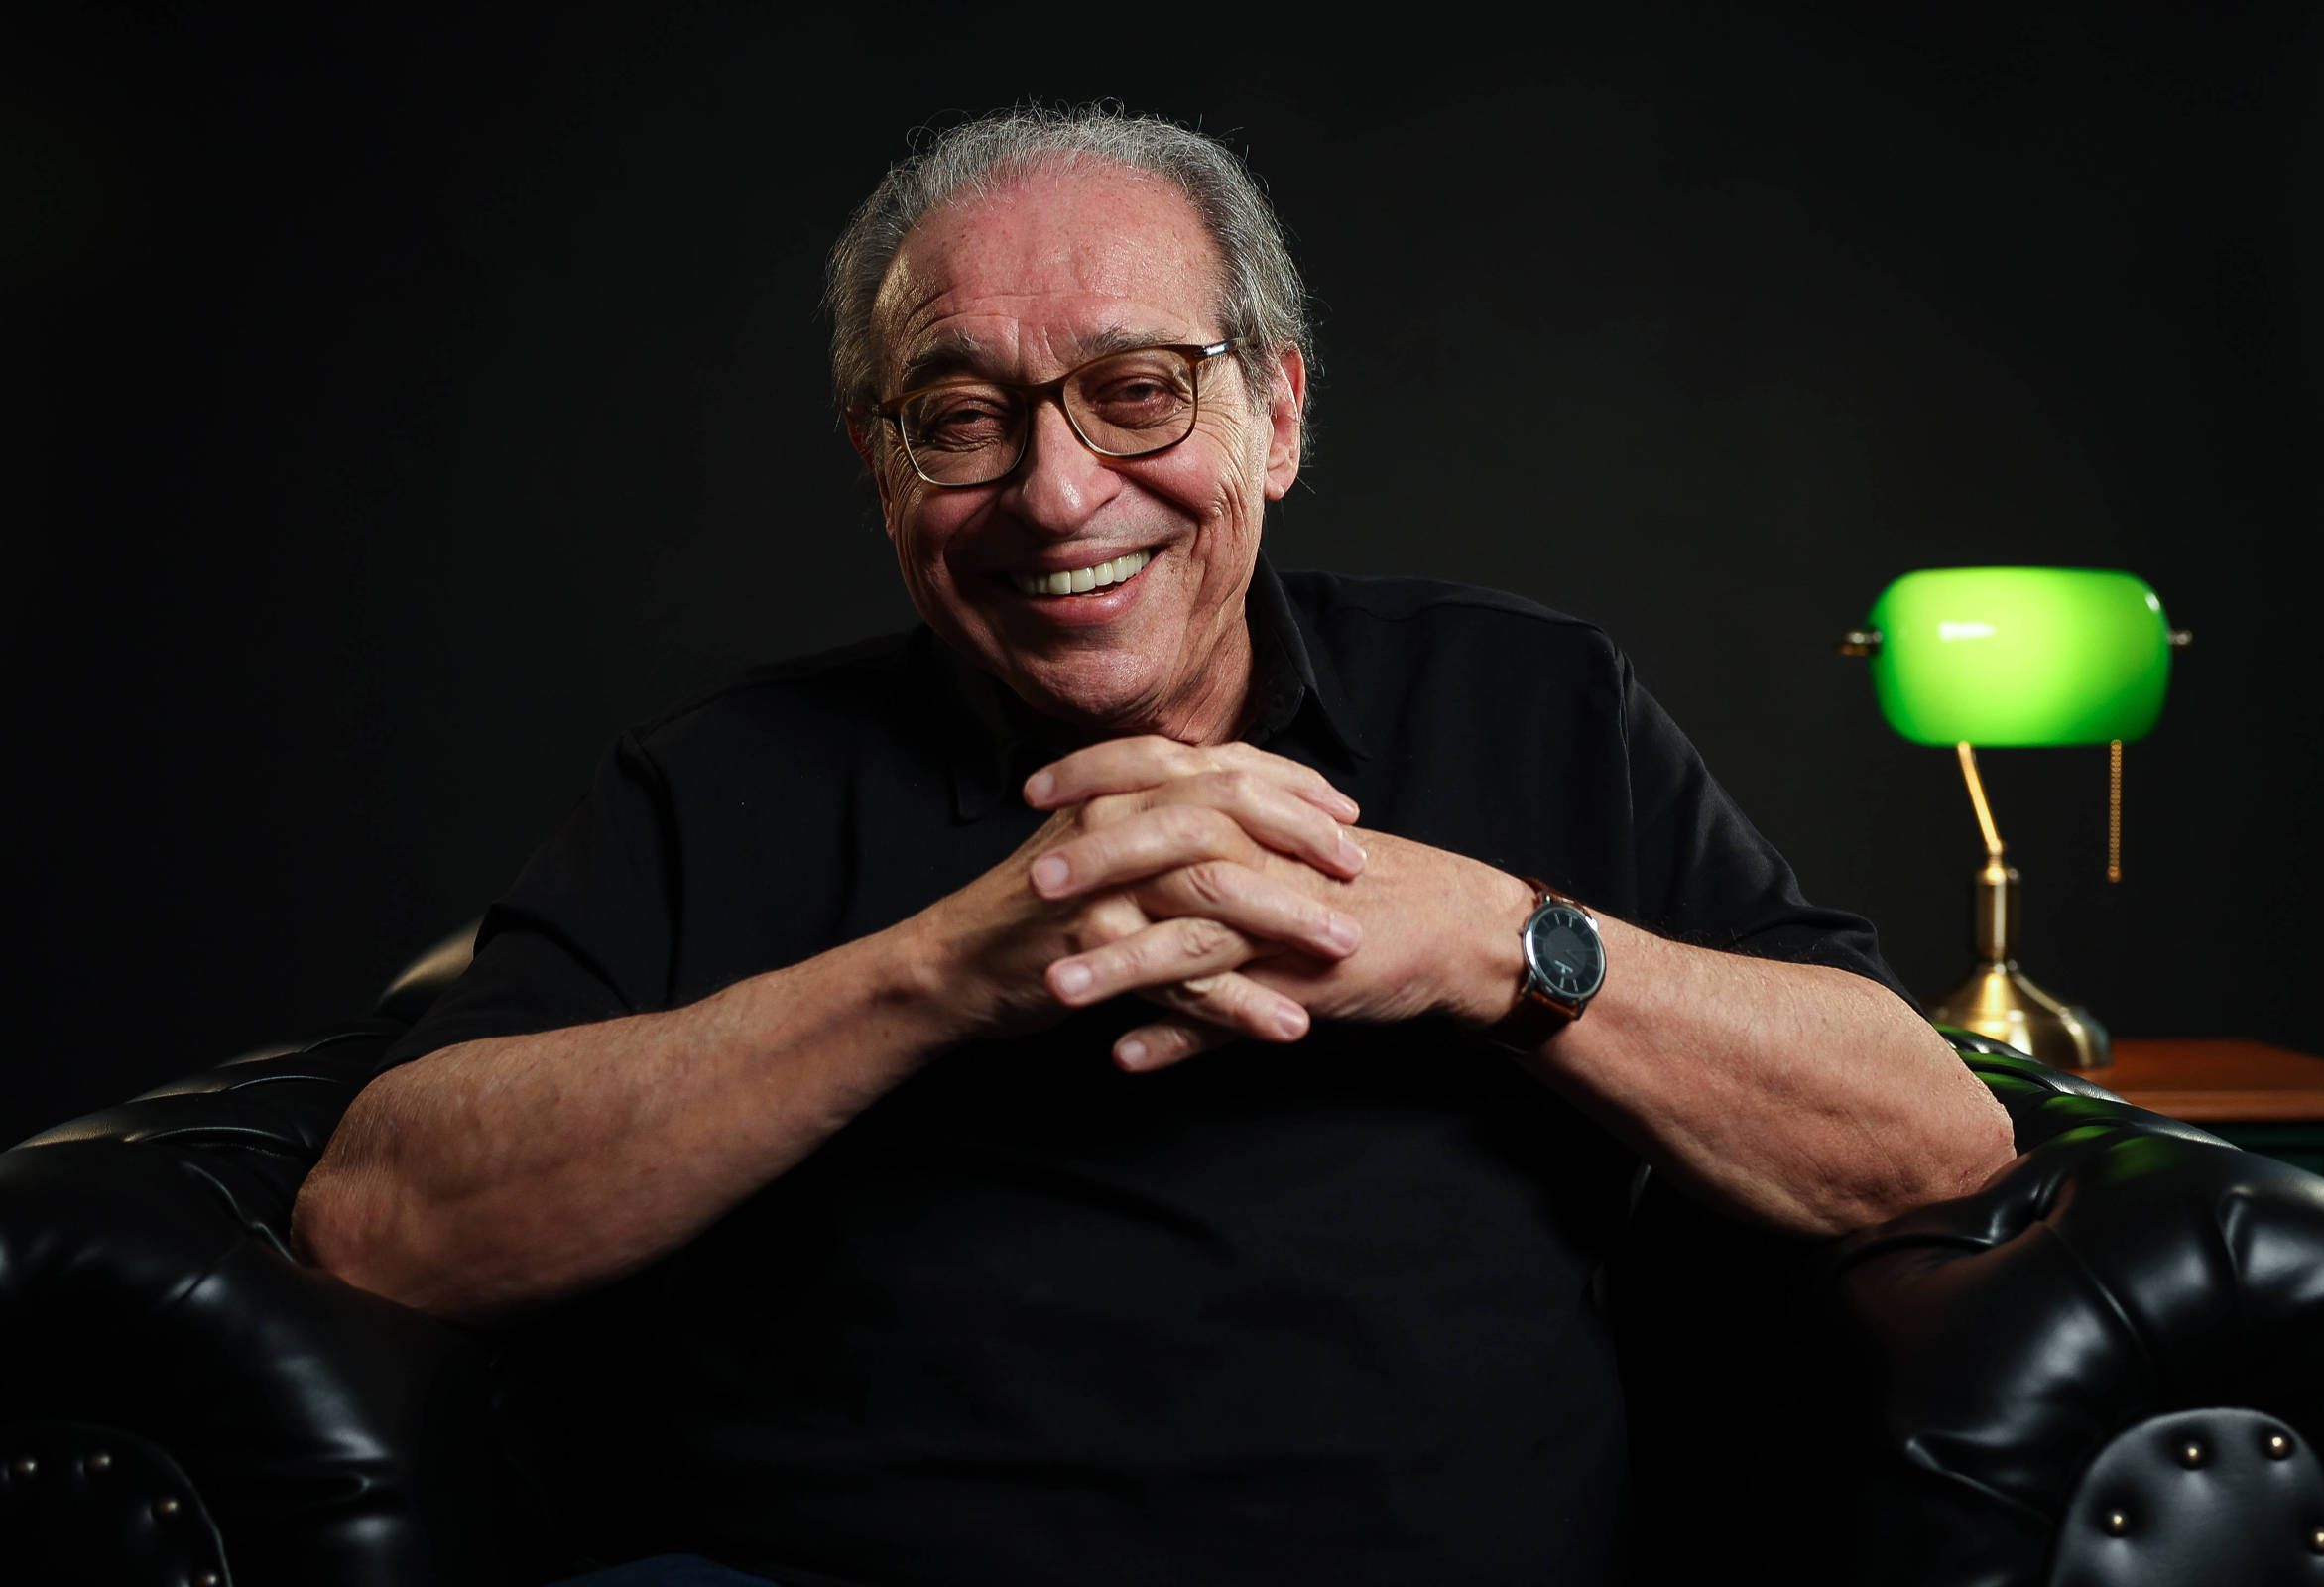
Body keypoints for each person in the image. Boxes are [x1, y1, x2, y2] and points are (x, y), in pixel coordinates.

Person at [293, 106, 2013, 1586]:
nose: (1055, 493)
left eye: (1136, 392)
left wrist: (1494, 944)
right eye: (959, 418)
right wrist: (937, 976)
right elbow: (383, 1223)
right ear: (877, 465)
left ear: (1275, 410)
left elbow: (1929, 1142)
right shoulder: (723, 778)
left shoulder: (1527, 699)